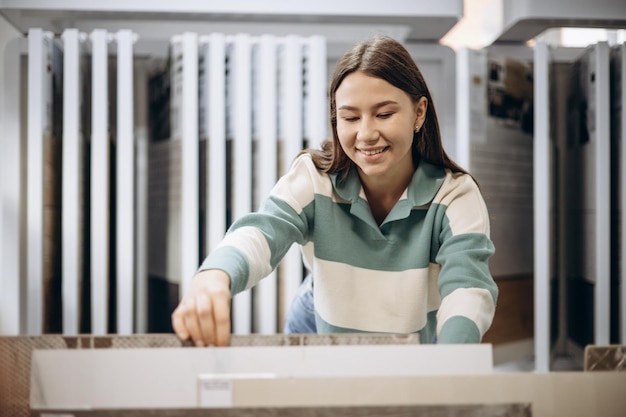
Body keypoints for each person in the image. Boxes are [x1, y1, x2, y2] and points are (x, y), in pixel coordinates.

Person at [172, 35, 498, 347]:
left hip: (415, 339)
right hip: (317, 322)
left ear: (419, 112)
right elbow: (262, 231)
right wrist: (212, 277)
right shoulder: (314, 179)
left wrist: (455, 359)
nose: (366, 133)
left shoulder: (455, 195)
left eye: (384, 114)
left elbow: (467, 288)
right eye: (350, 117)